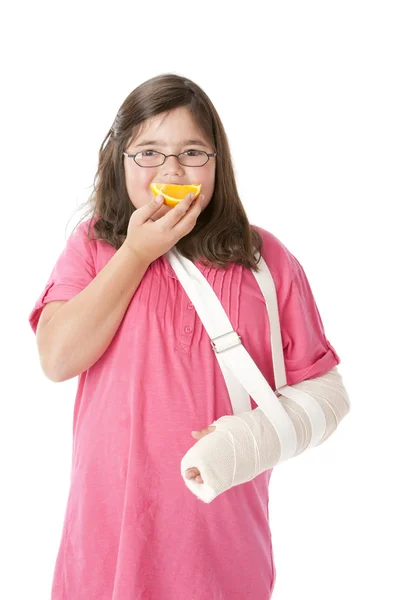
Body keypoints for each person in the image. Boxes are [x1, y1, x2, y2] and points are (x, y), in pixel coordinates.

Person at [28, 73, 351, 600]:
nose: (172, 170)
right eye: (149, 152)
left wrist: (241, 441)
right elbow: (57, 359)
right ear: (121, 161)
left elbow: (326, 395)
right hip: (104, 546)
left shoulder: (266, 259)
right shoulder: (93, 247)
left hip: (223, 549)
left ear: (217, 162)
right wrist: (136, 253)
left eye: (192, 152)